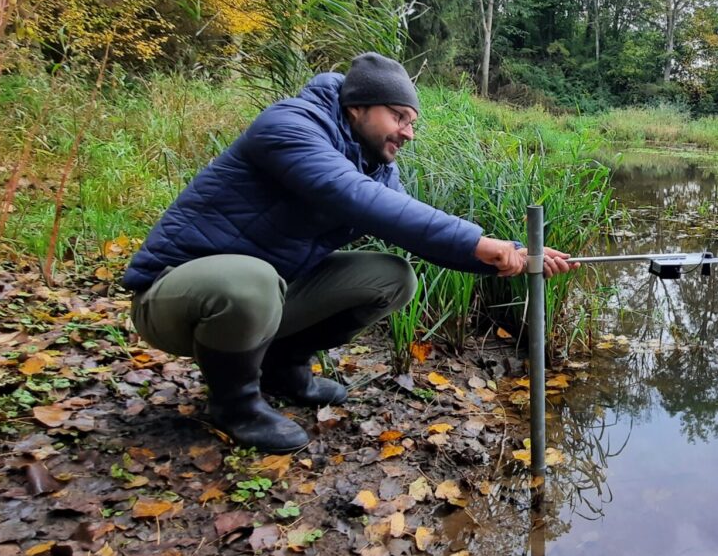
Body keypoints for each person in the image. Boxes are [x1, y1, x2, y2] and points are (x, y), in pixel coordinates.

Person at [123, 52, 577, 454]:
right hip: (175, 297)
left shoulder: (375, 165)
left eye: (412, 122)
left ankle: (282, 368)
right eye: (399, 116)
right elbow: (355, 197)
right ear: (357, 106)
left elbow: (409, 220)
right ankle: (235, 406)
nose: (408, 133)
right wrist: (479, 240)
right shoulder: (289, 127)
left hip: (267, 294)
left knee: (392, 277)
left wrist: (515, 253)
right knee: (250, 282)